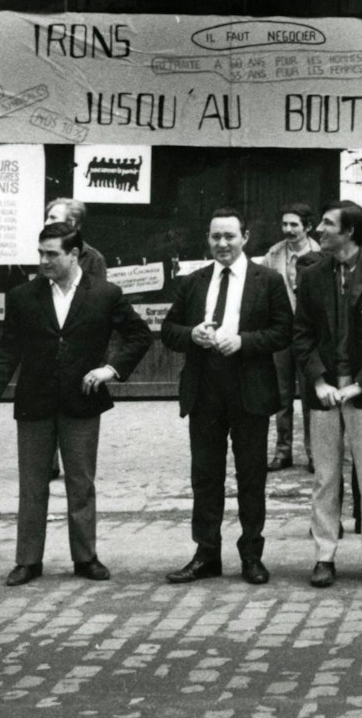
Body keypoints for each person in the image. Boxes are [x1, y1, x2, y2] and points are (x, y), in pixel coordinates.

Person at [0, 221, 151, 586]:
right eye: (40, 253)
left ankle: (86, 558)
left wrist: (110, 370)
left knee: (81, 484)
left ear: (74, 254)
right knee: (32, 485)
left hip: (82, 404)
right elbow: (8, 351)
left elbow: (139, 335)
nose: (43, 260)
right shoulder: (23, 296)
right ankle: (27, 561)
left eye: (52, 254)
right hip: (34, 404)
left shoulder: (105, 293)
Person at [160, 208, 293, 586]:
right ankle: (206, 555)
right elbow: (169, 329)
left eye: (229, 237)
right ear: (208, 238)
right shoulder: (194, 281)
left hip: (249, 390)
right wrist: (192, 335)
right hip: (204, 391)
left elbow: (284, 331)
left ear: (245, 237)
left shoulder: (266, 280)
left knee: (251, 477)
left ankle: (251, 555)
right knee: (205, 477)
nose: (222, 244)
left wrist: (244, 341)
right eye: (216, 237)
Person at [293, 200, 362, 589]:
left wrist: (361, 383)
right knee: (325, 477)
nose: (319, 230)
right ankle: (324, 554)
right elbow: (302, 334)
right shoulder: (311, 274)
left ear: (350, 232)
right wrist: (320, 381)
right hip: (323, 390)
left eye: (327, 224)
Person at [263, 203, 319, 472]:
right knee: (282, 396)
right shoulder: (273, 254)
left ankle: (314, 454)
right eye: (285, 224)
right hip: (281, 335)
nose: (288, 230)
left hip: (311, 336)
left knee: (312, 397)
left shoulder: (322, 253)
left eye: (294, 225)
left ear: (307, 226)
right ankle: (282, 452)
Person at [44, 198, 108, 279]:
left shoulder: (93, 259)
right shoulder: (45, 253)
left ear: (71, 223)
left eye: (53, 218)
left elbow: (99, 290)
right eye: (47, 218)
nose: (46, 223)